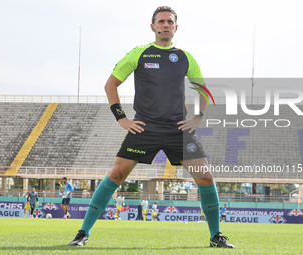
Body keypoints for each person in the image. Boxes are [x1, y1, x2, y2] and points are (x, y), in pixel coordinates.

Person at [69, 6, 235, 249]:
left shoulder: (185, 57)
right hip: (144, 129)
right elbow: (110, 85)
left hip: (178, 130)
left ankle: (215, 236)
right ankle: (83, 233)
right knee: (115, 175)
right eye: (161, 21)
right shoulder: (140, 53)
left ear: (176, 28)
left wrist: (198, 116)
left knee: (206, 178)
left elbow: (203, 89)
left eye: (170, 22)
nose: (165, 25)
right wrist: (121, 118)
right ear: (153, 26)